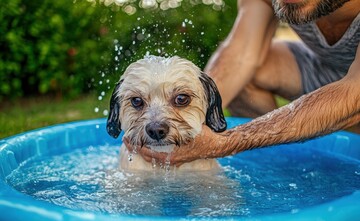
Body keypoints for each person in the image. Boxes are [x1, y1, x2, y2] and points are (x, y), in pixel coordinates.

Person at [124, 0, 360, 167]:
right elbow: (239, 57)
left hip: (355, 87)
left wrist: (224, 143)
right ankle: (285, 163)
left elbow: (354, 95)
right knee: (244, 78)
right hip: (324, 69)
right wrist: (190, 126)